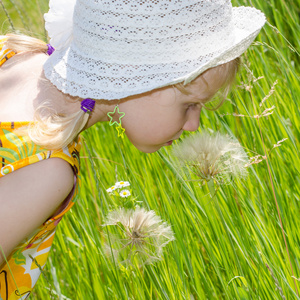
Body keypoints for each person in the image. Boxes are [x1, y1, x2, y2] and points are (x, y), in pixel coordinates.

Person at [0, 0, 265, 298]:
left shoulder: (15, 54)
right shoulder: (45, 171)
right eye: (191, 105)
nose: (194, 125)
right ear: (135, 79)